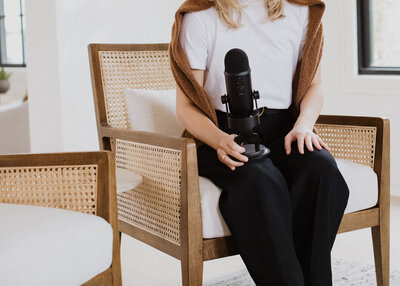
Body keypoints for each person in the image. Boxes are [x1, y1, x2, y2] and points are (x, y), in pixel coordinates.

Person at [170, 0, 349, 285]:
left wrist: (304, 126)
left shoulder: (301, 10)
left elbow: (314, 85)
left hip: (284, 129)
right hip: (220, 131)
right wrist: (219, 140)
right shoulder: (199, 16)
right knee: (260, 178)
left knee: (321, 168)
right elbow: (186, 107)